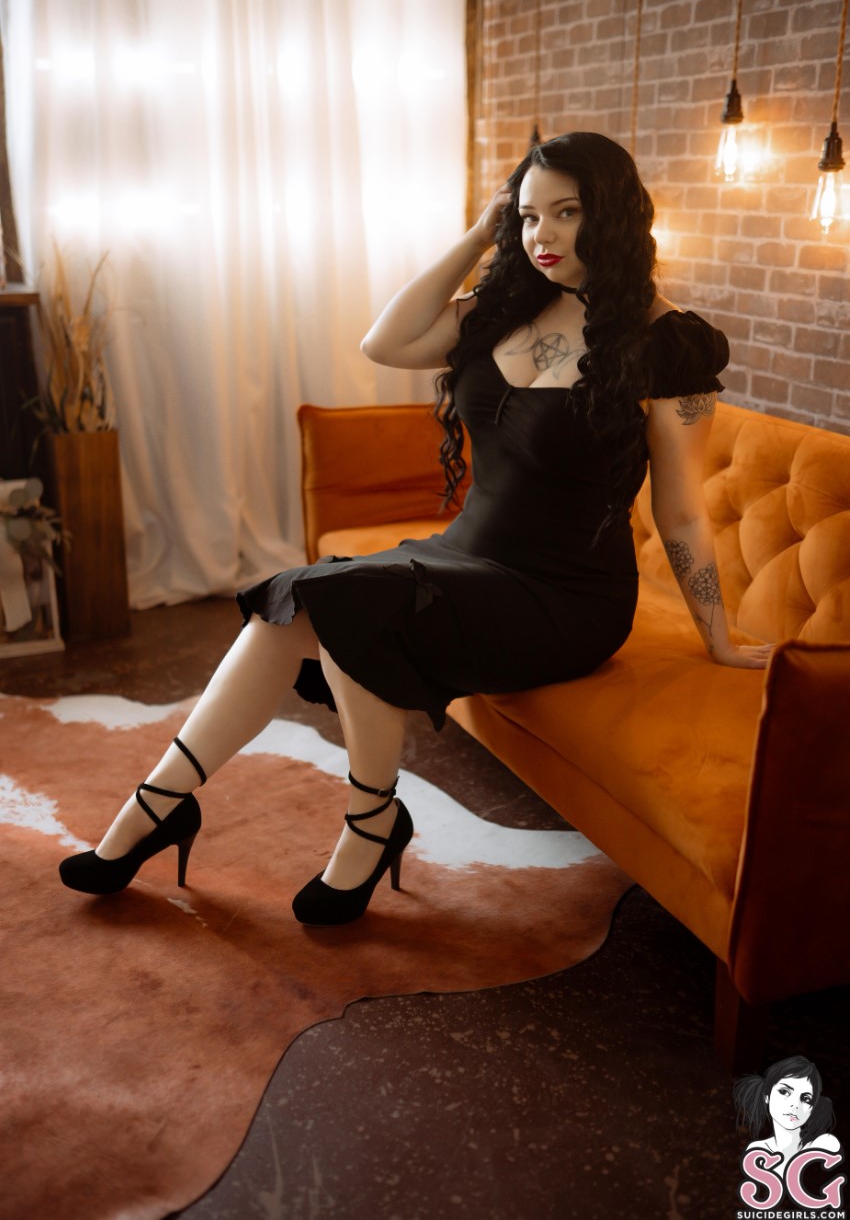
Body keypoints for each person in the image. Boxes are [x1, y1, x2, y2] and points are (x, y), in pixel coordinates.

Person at [59, 131, 772, 924]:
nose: (541, 235)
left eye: (566, 212)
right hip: (465, 555)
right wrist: (477, 236)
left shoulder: (671, 344)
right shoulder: (506, 310)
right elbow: (385, 341)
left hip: (566, 597)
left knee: (349, 601)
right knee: (285, 612)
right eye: (527, 216)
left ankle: (367, 825)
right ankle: (159, 806)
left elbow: (681, 510)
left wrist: (717, 636)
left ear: (612, 215)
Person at [734, 1056, 841, 1175]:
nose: (795, 1105)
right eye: (784, 1092)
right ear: (766, 1096)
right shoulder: (756, 1151)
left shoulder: (825, 1145)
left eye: (806, 1098)